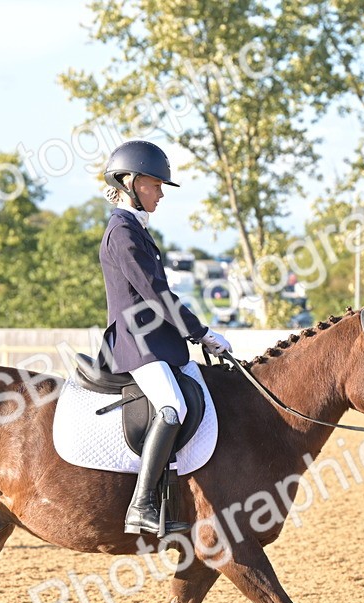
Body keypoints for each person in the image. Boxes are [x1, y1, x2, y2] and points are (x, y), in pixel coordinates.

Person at [97, 140, 232, 536]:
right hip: (135, 343)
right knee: (172, 405)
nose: (160, 193)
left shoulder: (137, 230)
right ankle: (141, 504)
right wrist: (201, 333)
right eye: (155, 185)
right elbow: (156, 295)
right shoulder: (122, 233)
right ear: (130, 183)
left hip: (156, 342)